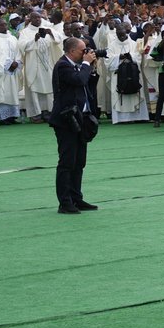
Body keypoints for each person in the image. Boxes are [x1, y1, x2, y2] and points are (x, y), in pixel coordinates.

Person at [48, 36, 98, 214]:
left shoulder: (77, 65)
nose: (85, 53)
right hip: (65, 120)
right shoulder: (62, 65)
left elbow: (88, 84)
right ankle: (65, 202)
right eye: (82, 50)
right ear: (71, 51)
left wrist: (90, 66)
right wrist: (86, 64)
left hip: (80, 118)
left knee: (79, 162)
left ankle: (77, 198)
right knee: (67, 162)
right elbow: (78, 81)